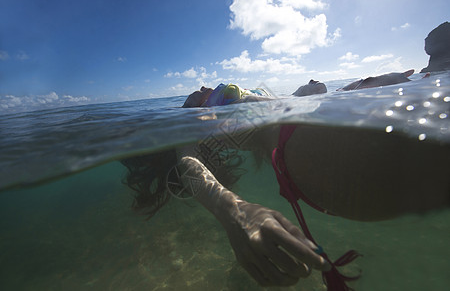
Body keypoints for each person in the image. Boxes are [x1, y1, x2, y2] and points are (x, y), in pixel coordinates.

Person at [121, 81, 450, 287]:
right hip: (303, 151)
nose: (206, 87)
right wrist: (234, 211)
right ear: (209, 131)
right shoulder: (198, 128)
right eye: (202, 97)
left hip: (303, 148)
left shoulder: (274, 115)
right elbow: (189, 162)